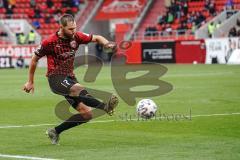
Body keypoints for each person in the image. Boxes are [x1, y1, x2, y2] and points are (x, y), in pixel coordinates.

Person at [22, 14, 119, 145]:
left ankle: (55, 131)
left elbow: (97, 37)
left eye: (75, 28)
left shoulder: (77, 37)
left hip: (69, 78)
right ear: (61, 27)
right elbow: (34, 59)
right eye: (70, 29)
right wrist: (30, 81)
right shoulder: (49, 42)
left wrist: (106, 43)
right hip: (55, 78)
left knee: (87, 114)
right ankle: (105, 107)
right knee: (77, 89)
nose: (74, 31)